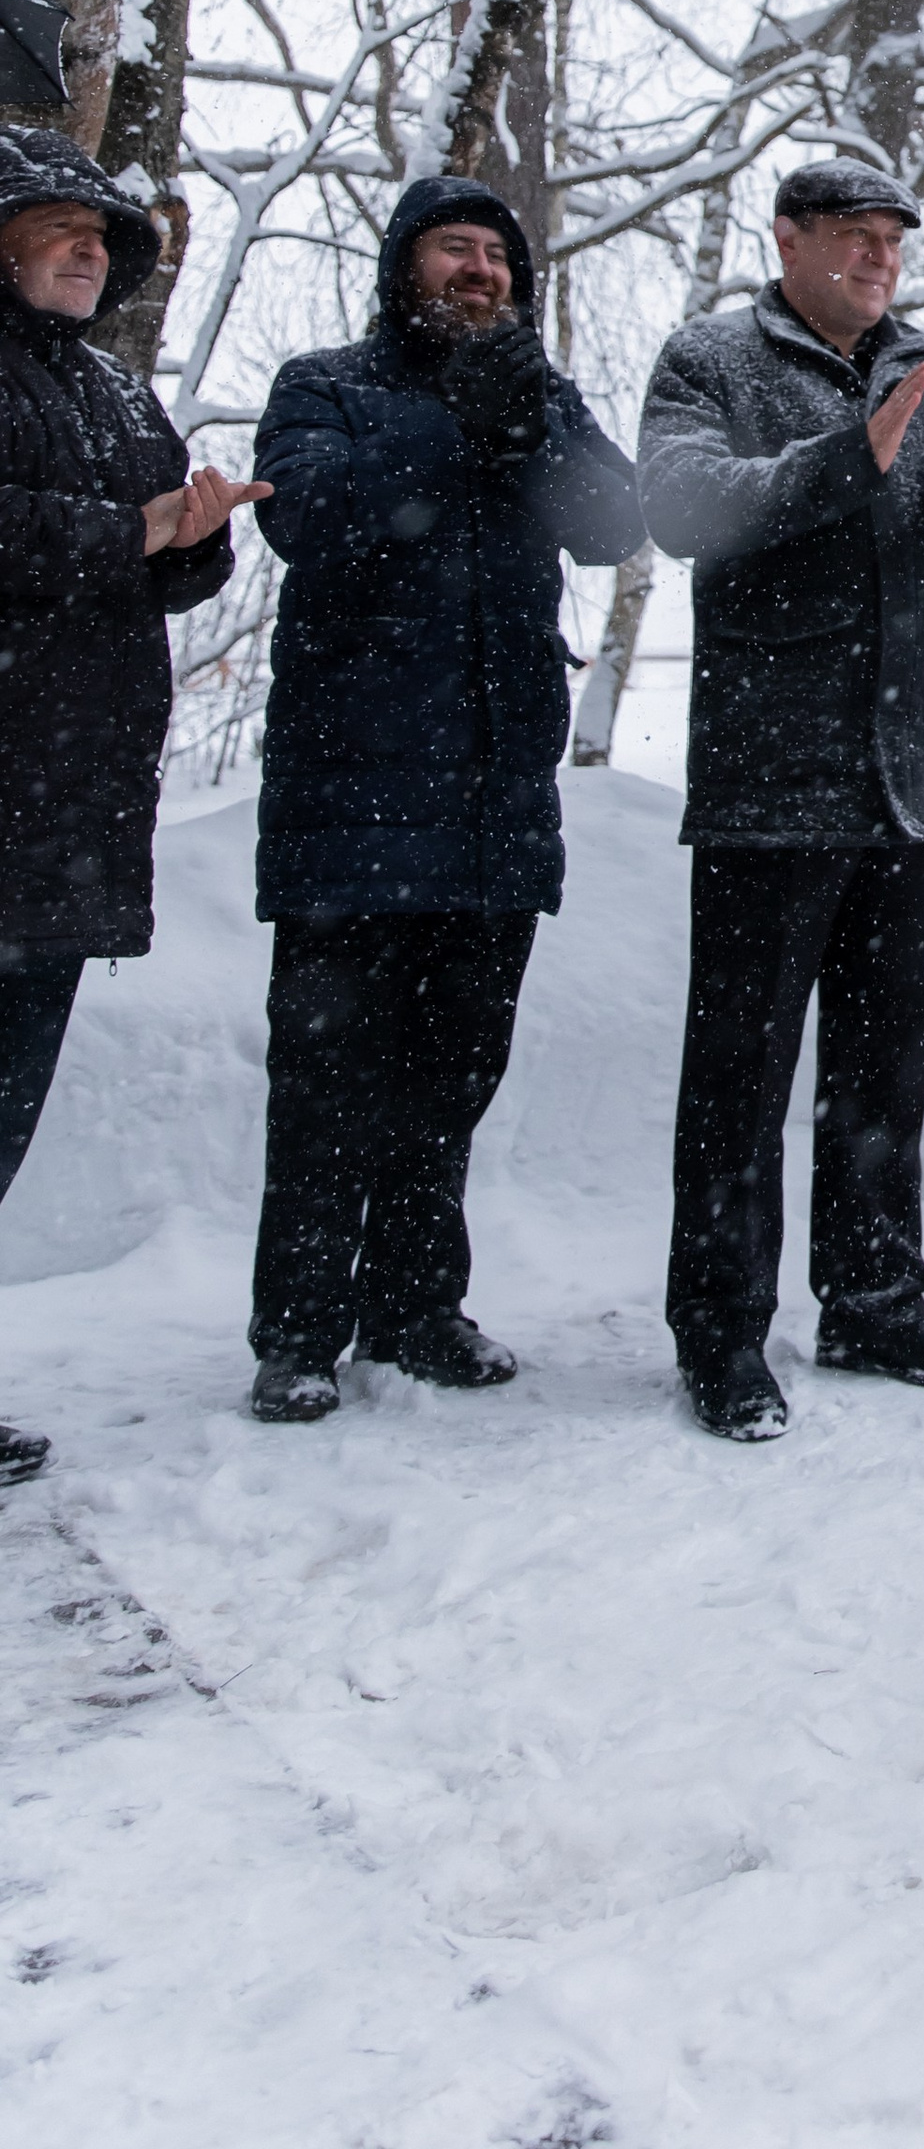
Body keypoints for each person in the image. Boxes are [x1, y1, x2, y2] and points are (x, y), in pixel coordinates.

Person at [638, 163, 924, 1442]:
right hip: (772, 778)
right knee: (740, 1077)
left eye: (891, 243)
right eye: (854, 238)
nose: (878, 260)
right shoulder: (710, 360)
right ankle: (720, 1333)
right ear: (789, 240)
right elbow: (681, 506)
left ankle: (872, 1302)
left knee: (882, 1073)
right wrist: (838, 460)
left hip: (912, 779)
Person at [247, 176, 643, 1423]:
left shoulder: (541, 395)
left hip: (494, 804)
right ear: (402, 270)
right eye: (454, 249)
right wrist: (445, 423)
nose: (480, 270)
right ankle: (298, 1330)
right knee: (327, 1081)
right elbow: (306, 517)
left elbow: (617, 524)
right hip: (350, 796)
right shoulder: (325, 384)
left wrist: (527, 422)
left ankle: (417, 1308)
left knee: (451, 1080)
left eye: (497, 257)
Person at [0, 132, 265, 1486]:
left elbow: (164, 567)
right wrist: (134, 534)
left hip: (70, 827)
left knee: (5, 1122)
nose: (88, 251)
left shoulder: (113, 389)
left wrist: (197, 537)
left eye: (102, 235)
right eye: (61, 227)